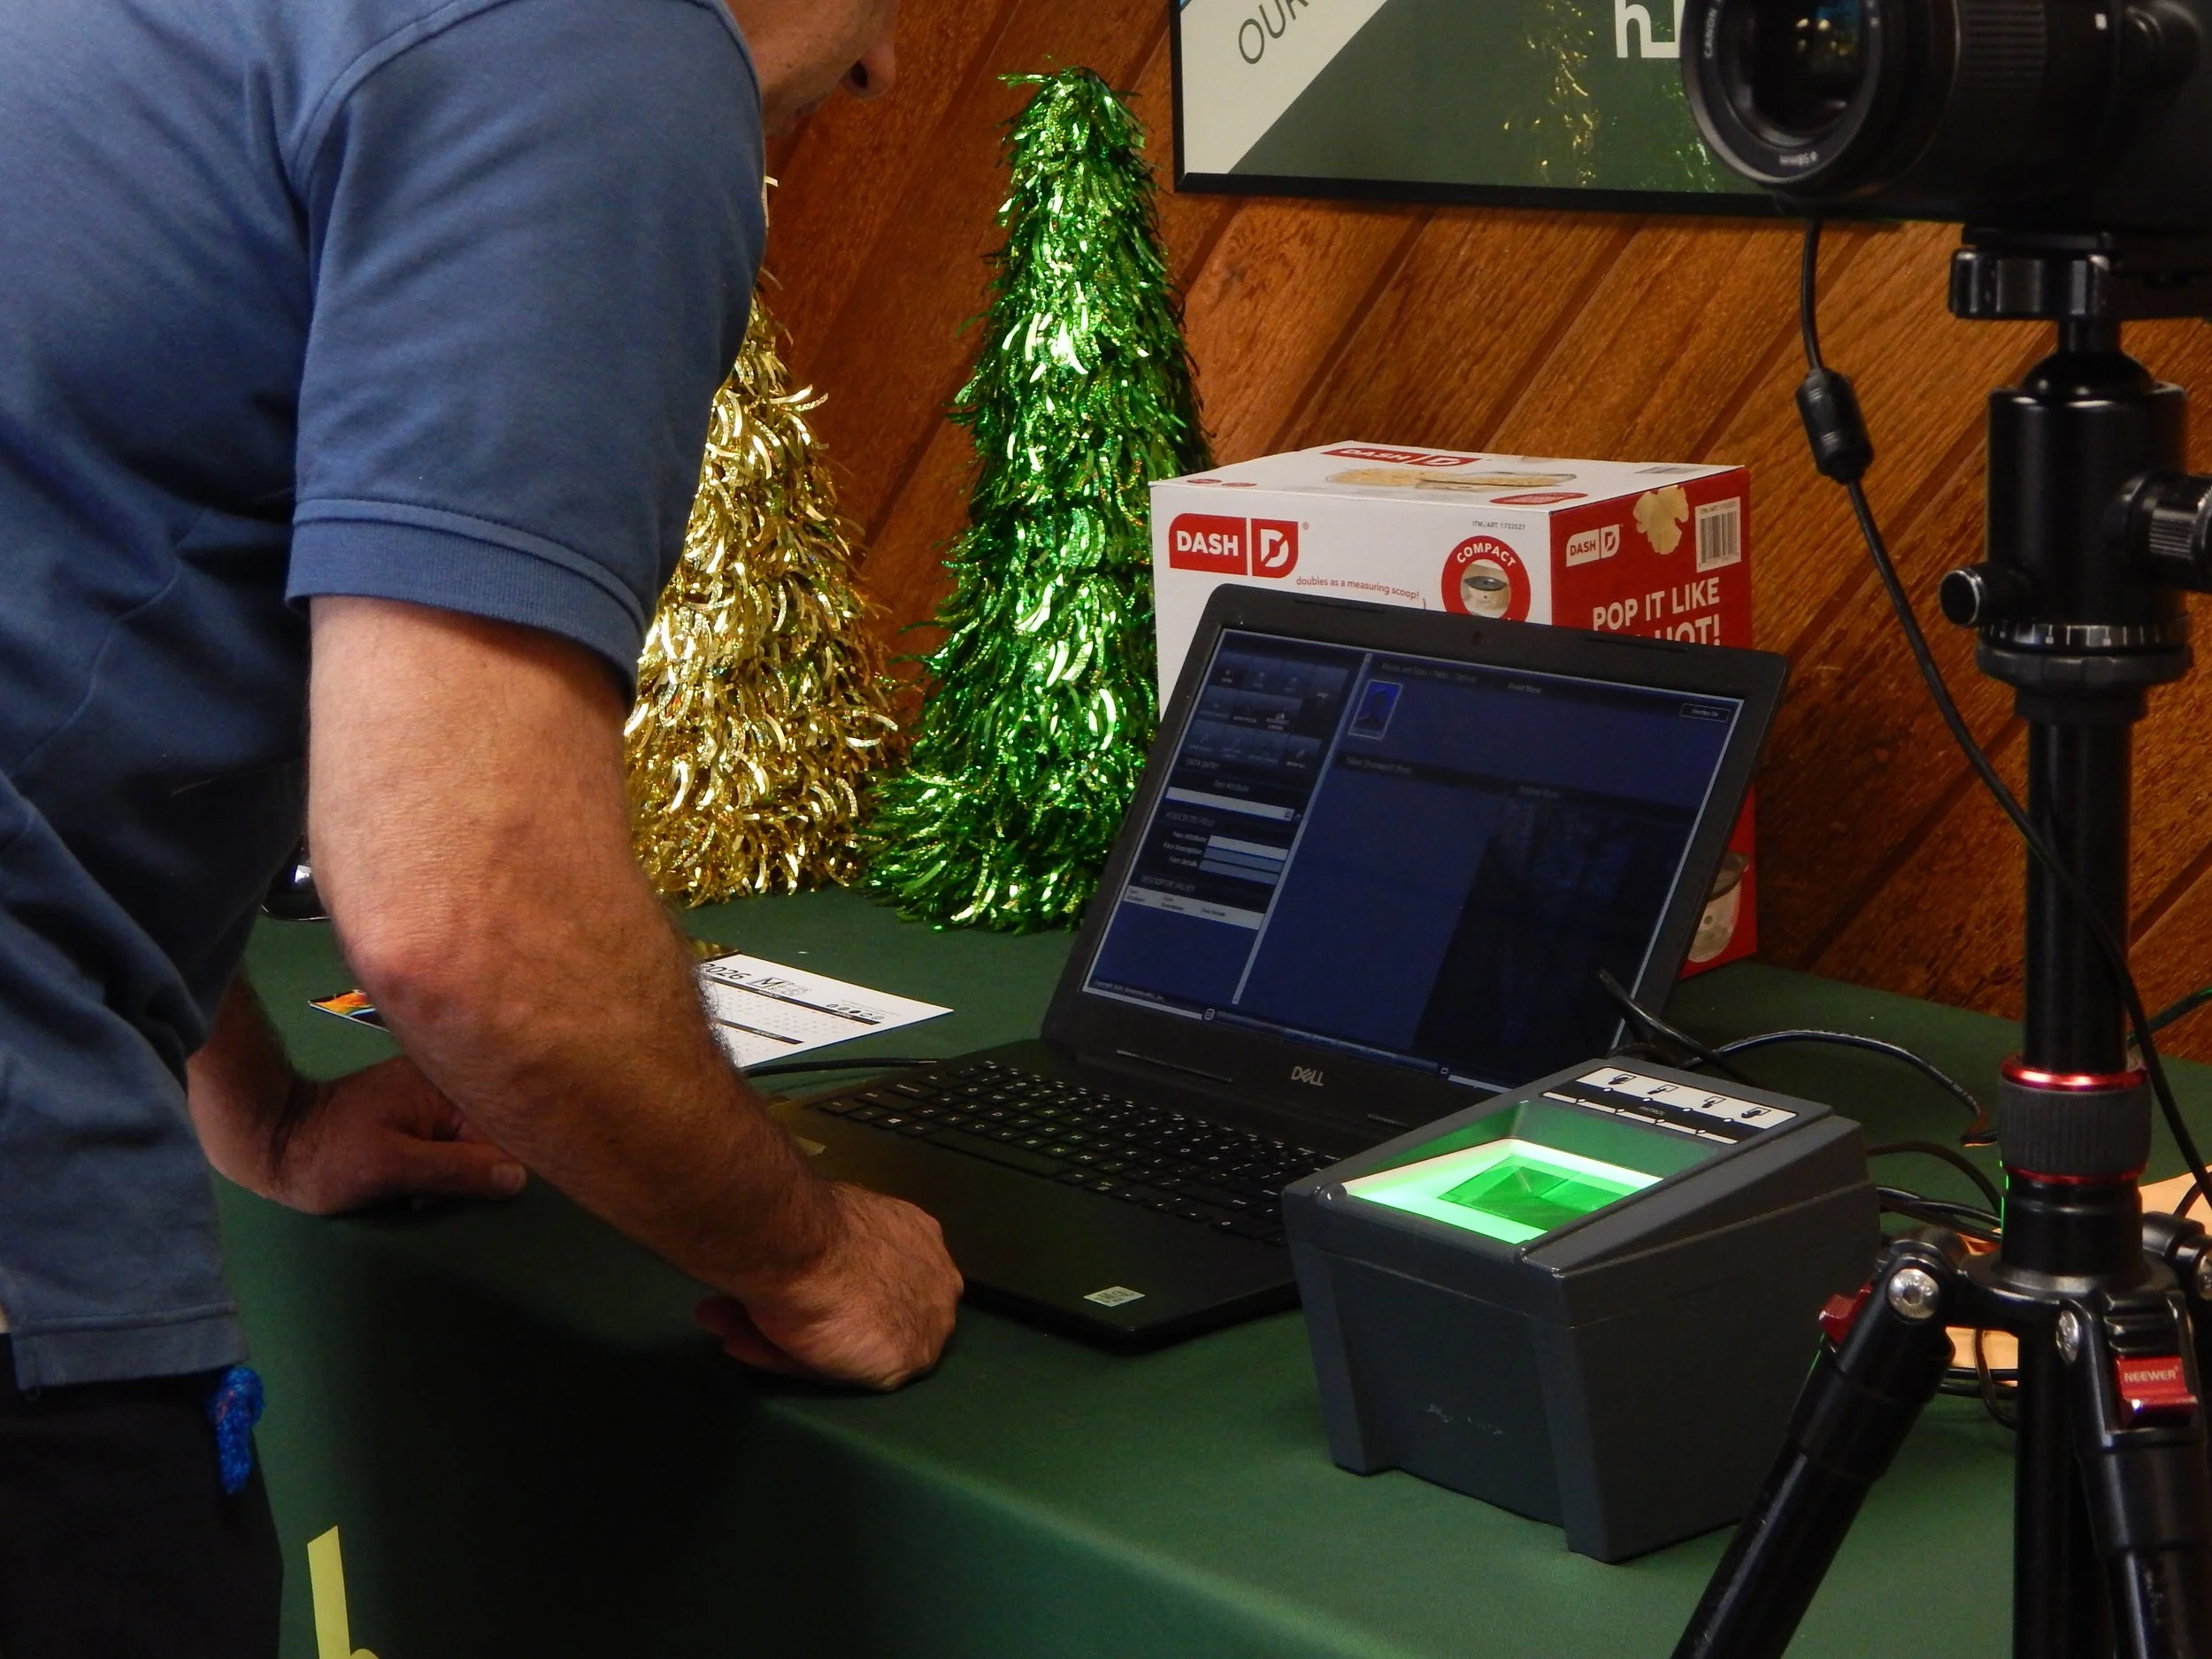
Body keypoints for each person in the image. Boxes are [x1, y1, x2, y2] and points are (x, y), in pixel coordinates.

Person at [0, 0, 959, 1652]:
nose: (882, 72)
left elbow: (68, 598)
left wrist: (268, 1121)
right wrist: (811, 1258)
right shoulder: (598, 46)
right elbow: (470, 918)